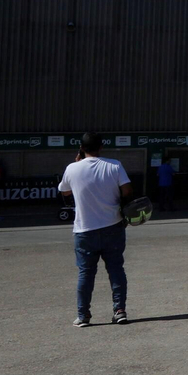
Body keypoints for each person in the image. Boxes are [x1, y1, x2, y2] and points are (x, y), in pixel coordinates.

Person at [58, 133, 135, 326]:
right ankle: (119, 311)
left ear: (81, 149)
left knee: (86, 273)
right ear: (101, 147)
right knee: (116, 269)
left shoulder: (72, 168)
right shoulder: (114, 165)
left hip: (84, 230)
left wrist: (77, 164)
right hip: (113, 226)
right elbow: (127, 191)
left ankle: (83, 316)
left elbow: (64, 191)